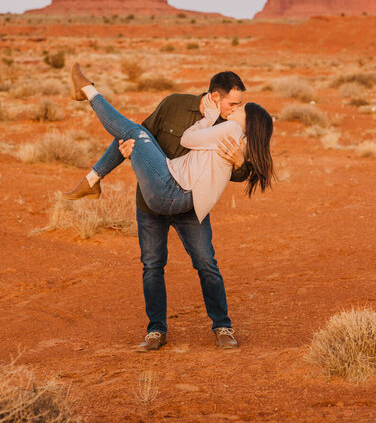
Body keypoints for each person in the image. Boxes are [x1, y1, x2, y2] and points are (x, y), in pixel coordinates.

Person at [64, 63, 275, 351]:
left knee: (207, 264)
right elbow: (136, 134)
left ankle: (222, 326)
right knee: (152, 266)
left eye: (238, 105)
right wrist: (131, 152)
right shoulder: (174, 104)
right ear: (215, 96)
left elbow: (236, 172)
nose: (235, 108)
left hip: (187, 204)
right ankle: (156, 331)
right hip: (155, 196)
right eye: (232, 103)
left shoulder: (225, 124)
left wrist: (240, 161)